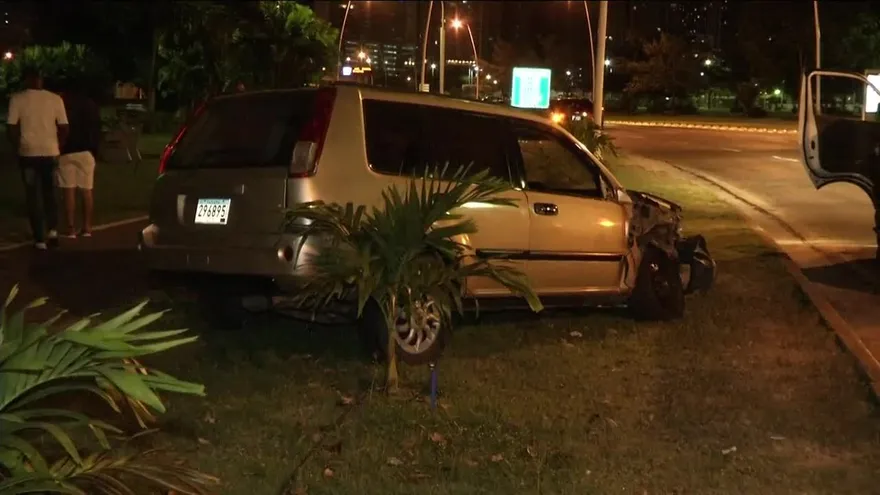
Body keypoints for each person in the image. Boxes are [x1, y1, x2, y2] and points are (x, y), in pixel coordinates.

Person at [6, 67, 69, 250]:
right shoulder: (55, 99)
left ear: (26, 80)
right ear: (41, 80)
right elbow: (64, 127)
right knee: (50, 193)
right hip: (49, 151)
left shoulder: (18, 99)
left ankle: (39, 237)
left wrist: (18, 145)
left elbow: (11, 127)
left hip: (28, 153)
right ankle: (52, 231)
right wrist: (59, 145)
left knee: (33, 196)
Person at [57, 79, 101, 238]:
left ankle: (70, 228)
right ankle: (87, 227)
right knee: (86, 191)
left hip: (67, 151)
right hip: (86, 151)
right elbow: (97, 129)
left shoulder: (63, 104)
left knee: (69, 190)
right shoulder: (91, 105)